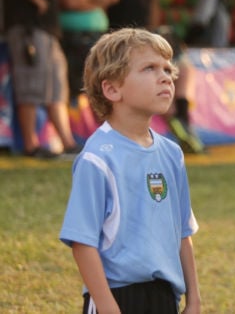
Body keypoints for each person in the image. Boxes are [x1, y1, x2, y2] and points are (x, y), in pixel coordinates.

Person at [59, 28, 201, 314]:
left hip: (164, 297)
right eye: (149, 68)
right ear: (112, 89)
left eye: (167, 69)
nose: (165, 77)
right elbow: (82, 243)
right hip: (117, 297)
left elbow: (183, 233)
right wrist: (108, 307)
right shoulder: (97, 158)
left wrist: (194, 300)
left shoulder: (172, 153)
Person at [103, 0, 205, 154]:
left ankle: (182, 115)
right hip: (122, 35)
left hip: (148, 32)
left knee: (183, 67)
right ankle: (175, 122)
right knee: (151, 76)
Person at [0, 0, 81, 158]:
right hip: (28, 28)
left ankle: (67, 142)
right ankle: (31, 145)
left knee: (55, 86)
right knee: (31, 86)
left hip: (44, 30)